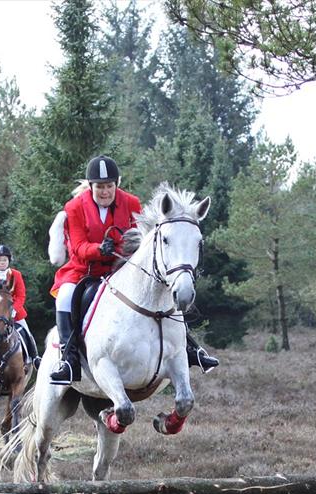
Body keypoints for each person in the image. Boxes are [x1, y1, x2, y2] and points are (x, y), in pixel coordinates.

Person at [49, 154, 219, 385]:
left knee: (168, 289)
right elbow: (78, 247)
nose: (105, 192)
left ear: (116, 184)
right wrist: (99, 249)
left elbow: (139, 239)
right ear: (91, 187)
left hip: (121, 267)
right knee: (65, 297)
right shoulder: (75, 207)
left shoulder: (131, 202)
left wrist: (120, 251)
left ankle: (189, 346)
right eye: (100, 187)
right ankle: (68, 360)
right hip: (84, 271)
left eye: (109, 186)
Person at [0, 244, 40, 369]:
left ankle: (34, 357)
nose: (2, 263)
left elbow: (21, 295)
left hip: (13, 311)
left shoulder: (16, 274)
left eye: (4, 260)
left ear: (9, 260)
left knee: (26, 332)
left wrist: (14, 309)